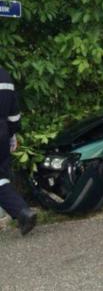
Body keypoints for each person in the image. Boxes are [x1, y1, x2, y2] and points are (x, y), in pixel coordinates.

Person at [0, 66, 36, 236]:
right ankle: (22, 211)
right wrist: (12, 134)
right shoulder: (4, 75)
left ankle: (22, 211)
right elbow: (14, 112)